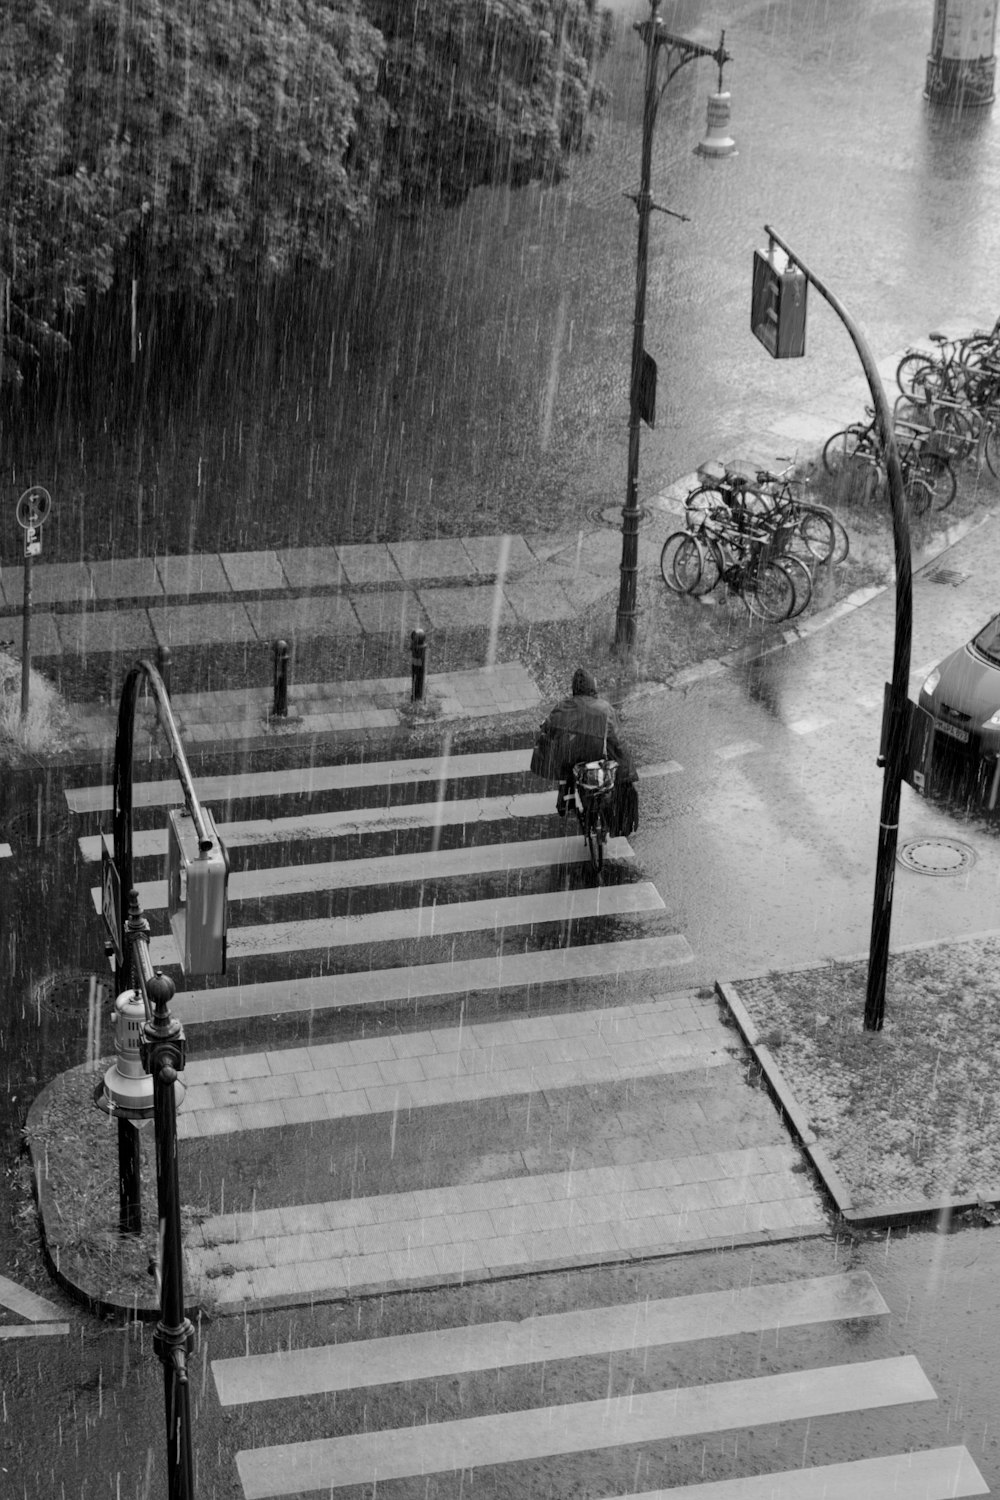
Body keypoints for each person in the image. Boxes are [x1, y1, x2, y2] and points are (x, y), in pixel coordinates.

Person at [531, 668, 638, 830]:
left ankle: (566, 795)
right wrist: (626, 772)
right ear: (593, 688)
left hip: (570, 759)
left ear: (574, 689)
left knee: (567, 768)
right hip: (597, 756)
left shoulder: (562, 707)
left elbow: (547, 730)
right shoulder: (604, 708)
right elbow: (617, 741)